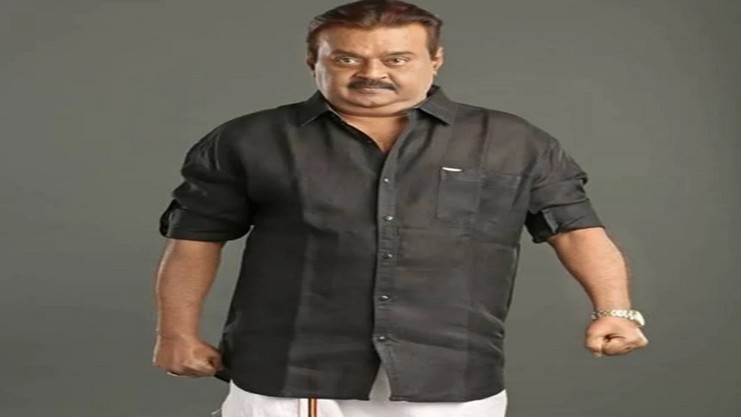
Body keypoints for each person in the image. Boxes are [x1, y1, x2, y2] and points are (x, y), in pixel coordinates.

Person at [152, 1, 649, 416]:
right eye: (347, 59)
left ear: (435, 60)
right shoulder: (248, 140)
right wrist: (175, 334)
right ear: (312, 61)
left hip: (450, 372)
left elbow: (576, 229)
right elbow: (195, 239)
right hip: (289, 370)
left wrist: (615, 311)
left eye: (397, 59)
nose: (373, 73)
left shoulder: (512, 141)